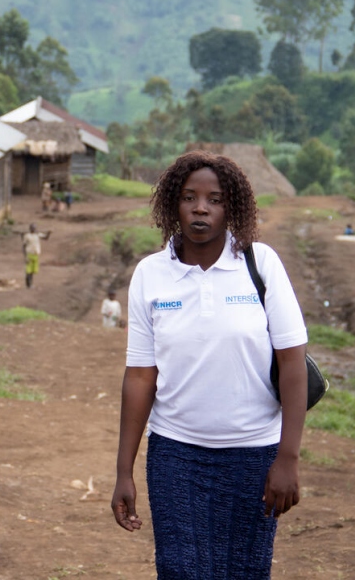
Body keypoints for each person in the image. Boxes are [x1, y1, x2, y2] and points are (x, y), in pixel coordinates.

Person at [111, 151, 308, 578]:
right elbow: (141, 375)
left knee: (244, 571)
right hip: (175, 457)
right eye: (189, 197)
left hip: (255, 457)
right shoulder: (150, 275)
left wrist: (288, 458)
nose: (201, 207)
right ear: (172, 205)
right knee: (181, 571)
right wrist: (123, 471)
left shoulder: (261, 265)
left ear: (230, 207)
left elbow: (292, 363)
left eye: (214, 199)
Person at [21, 223, 51, 289]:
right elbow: (23, 246)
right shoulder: (27, 236)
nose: (34, 229)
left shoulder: (37, 235)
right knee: (28, 271)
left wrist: (49, 233)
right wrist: (25, 256)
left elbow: (46, 238)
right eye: (33, 228)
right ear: (30, 229)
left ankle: (30, 284)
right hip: (29, 254)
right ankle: (28, 285)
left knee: (32, 271)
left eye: (35, 228)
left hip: (36, 254)